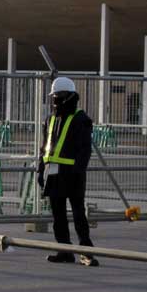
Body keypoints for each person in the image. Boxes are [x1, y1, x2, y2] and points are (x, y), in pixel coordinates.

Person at [37, 76, 98, 266]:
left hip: (73, 174)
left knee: (78, 213)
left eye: (57, 96)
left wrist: (78, 170)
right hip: (53, 173)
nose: (54, 99)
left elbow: (84, 149)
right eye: (53, 96)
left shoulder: (81, 119)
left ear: (67, 96)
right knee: (58, 215)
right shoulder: (51, 119)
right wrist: (41, 169)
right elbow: (45, 146)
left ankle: (86, 252)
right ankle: (64, 250)